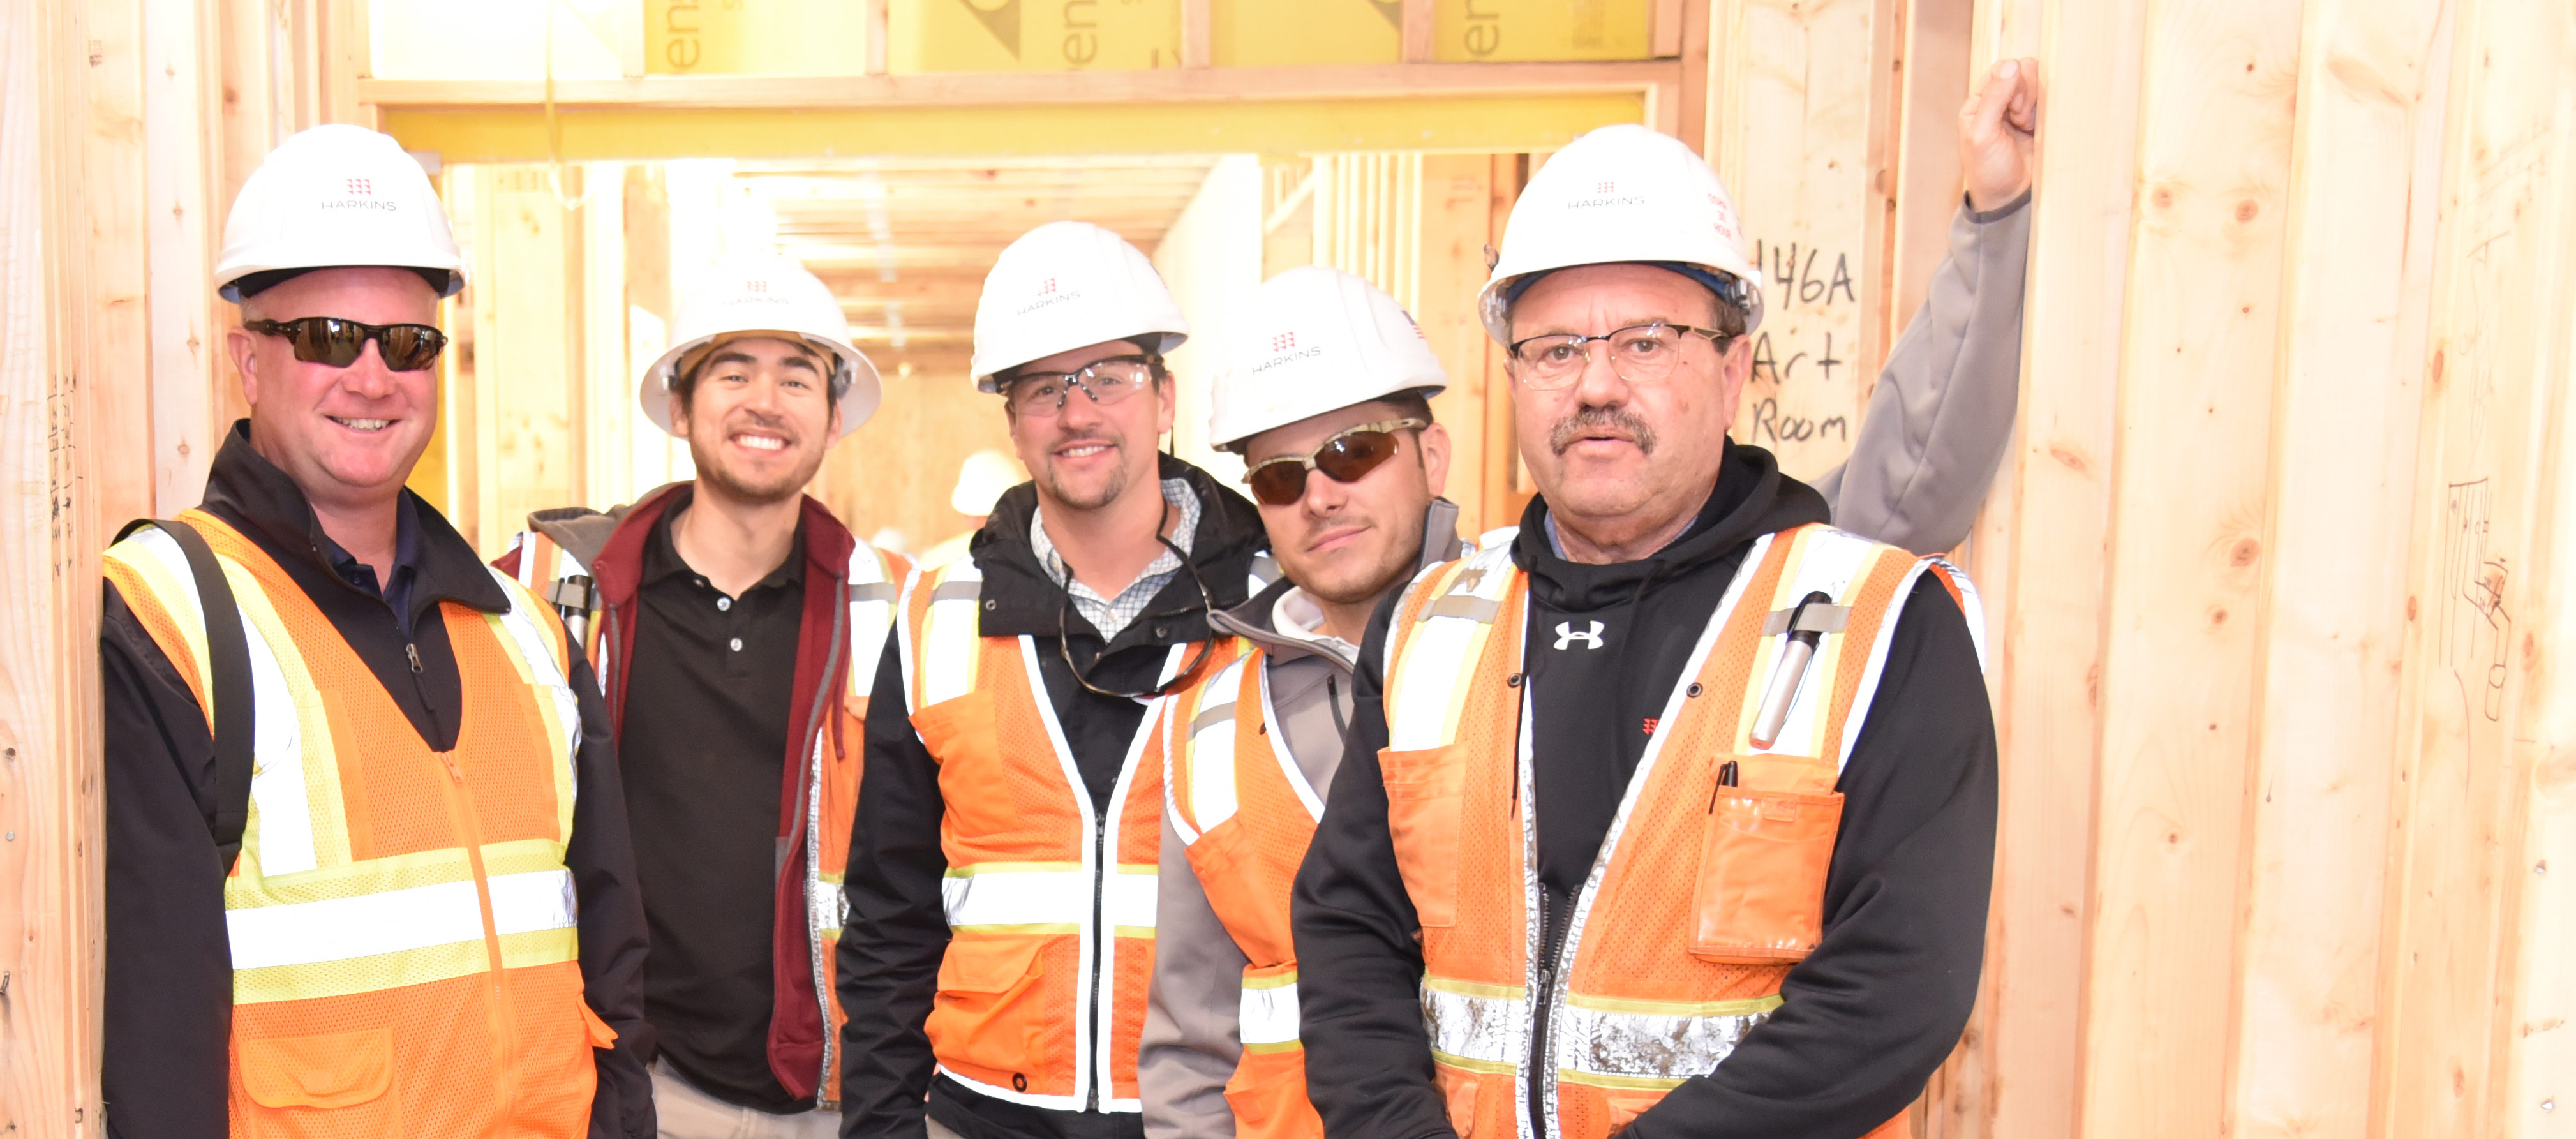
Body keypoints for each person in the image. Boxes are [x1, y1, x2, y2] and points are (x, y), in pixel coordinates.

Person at [1142, 58, 2040, 1139]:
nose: (1598, 383)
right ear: (1515, 377)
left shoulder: (1882, 624)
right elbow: (1349, 935)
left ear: (1733, 361)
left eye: (1647, 341)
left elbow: (1896, 991)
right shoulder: (1431, 630)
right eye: (1557, 347)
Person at [98, 124, 652, 1138]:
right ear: (247, 361)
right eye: (323, 338)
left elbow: (609, 962)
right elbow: (152, 1013)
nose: (371, 376)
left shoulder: (526, 633)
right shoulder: (169, 613)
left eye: (407, 343)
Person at [838, 221, 1271, 1139]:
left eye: (1108, 376)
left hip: (1213, 1114)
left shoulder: (1274, 612)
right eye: (1044, 388)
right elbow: (888, 918)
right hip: (982, 1115)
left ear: (1164, 398)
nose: (1078, 411)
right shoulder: (936, 617)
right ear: (1013, 421)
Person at [491, 257, 912, 1139]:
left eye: (797, 376)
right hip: (636, 1086)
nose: (766, 401)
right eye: (733, 371)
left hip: (835, 1094)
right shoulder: (553, 593)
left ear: (835, 418)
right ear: (680, 406)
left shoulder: (896, 607)